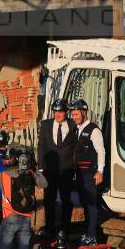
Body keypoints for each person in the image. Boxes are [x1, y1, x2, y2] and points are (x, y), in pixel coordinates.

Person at [0, 149, 47, 249]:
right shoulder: (30, 173)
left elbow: (2, 189)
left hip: (10, 215)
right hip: (26, 217)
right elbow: (44, 184)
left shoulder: (2, 174)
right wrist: (33, 169)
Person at [69, 99, 106, 246]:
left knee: (91, 205)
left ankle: (92, 236)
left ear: (84, 113)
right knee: (84, 204)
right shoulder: (77, 130)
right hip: (80, 174)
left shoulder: (94, 130)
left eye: (76, 114)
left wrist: (100, 171)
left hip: (90, 174)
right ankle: (87, 234)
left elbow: (101, 151)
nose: (74, 117)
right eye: (72, 114)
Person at [39, 98, 77, 235]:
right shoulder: (46, 125)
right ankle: (49, 228)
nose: (58, 115)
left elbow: (76, 147)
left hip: (67, 170)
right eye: (55, 112)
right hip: (50, 170)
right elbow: (42, 147)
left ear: (66, 112)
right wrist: (41, 168)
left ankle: (65, 228)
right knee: (49, 200)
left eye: (60, 112)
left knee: (66, 199)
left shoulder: (73, 125)